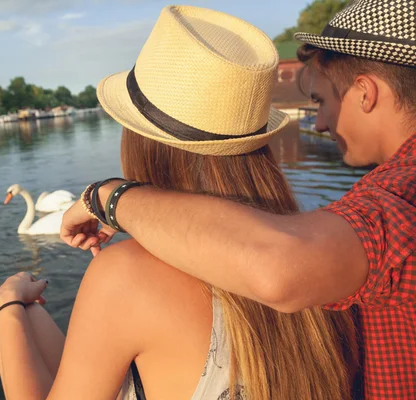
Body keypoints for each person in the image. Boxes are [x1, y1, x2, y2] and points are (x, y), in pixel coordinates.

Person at [0, 6, 358, 400]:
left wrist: (7, 309)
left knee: (24, 313)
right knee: (37, 315)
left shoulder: (126, 276)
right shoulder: (318, 250)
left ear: (142, 141)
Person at [60, 0, 416, 398]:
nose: (318, 122)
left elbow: (278, 267)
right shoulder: (323, 245)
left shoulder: (396, 197)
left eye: (321, 100)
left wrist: (111, 196)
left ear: (365, 92)